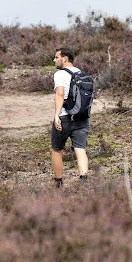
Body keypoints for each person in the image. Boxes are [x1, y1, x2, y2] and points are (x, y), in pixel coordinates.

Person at [51, 47, 89, 187]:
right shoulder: (81, 73)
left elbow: (60, 94)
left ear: (65, 58)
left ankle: (58, 183)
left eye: (56, 57)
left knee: (56, 149)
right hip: (82, 117)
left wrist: (56, 115)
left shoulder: (60, 74)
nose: (54, 60)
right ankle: (84, 180)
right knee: (80, 148)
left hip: (65, 117)